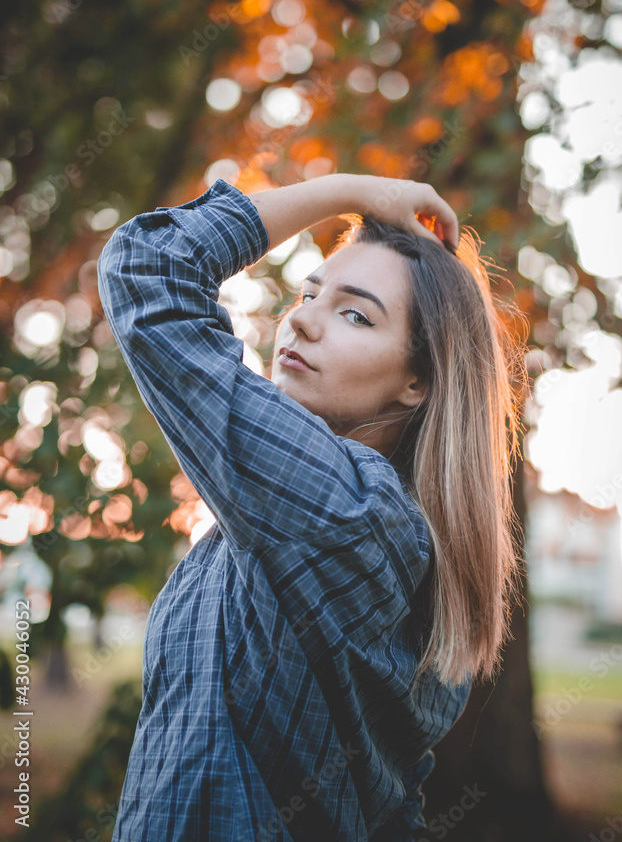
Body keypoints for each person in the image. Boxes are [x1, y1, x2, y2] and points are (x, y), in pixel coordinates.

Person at [96, 172, 526, 842]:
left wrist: (349, 191)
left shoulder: (343, 513)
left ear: (418, 381)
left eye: (354, 314)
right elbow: (387, 806)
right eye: (306, 294)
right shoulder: (360, 526)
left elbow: (150, 268)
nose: (298, 319)